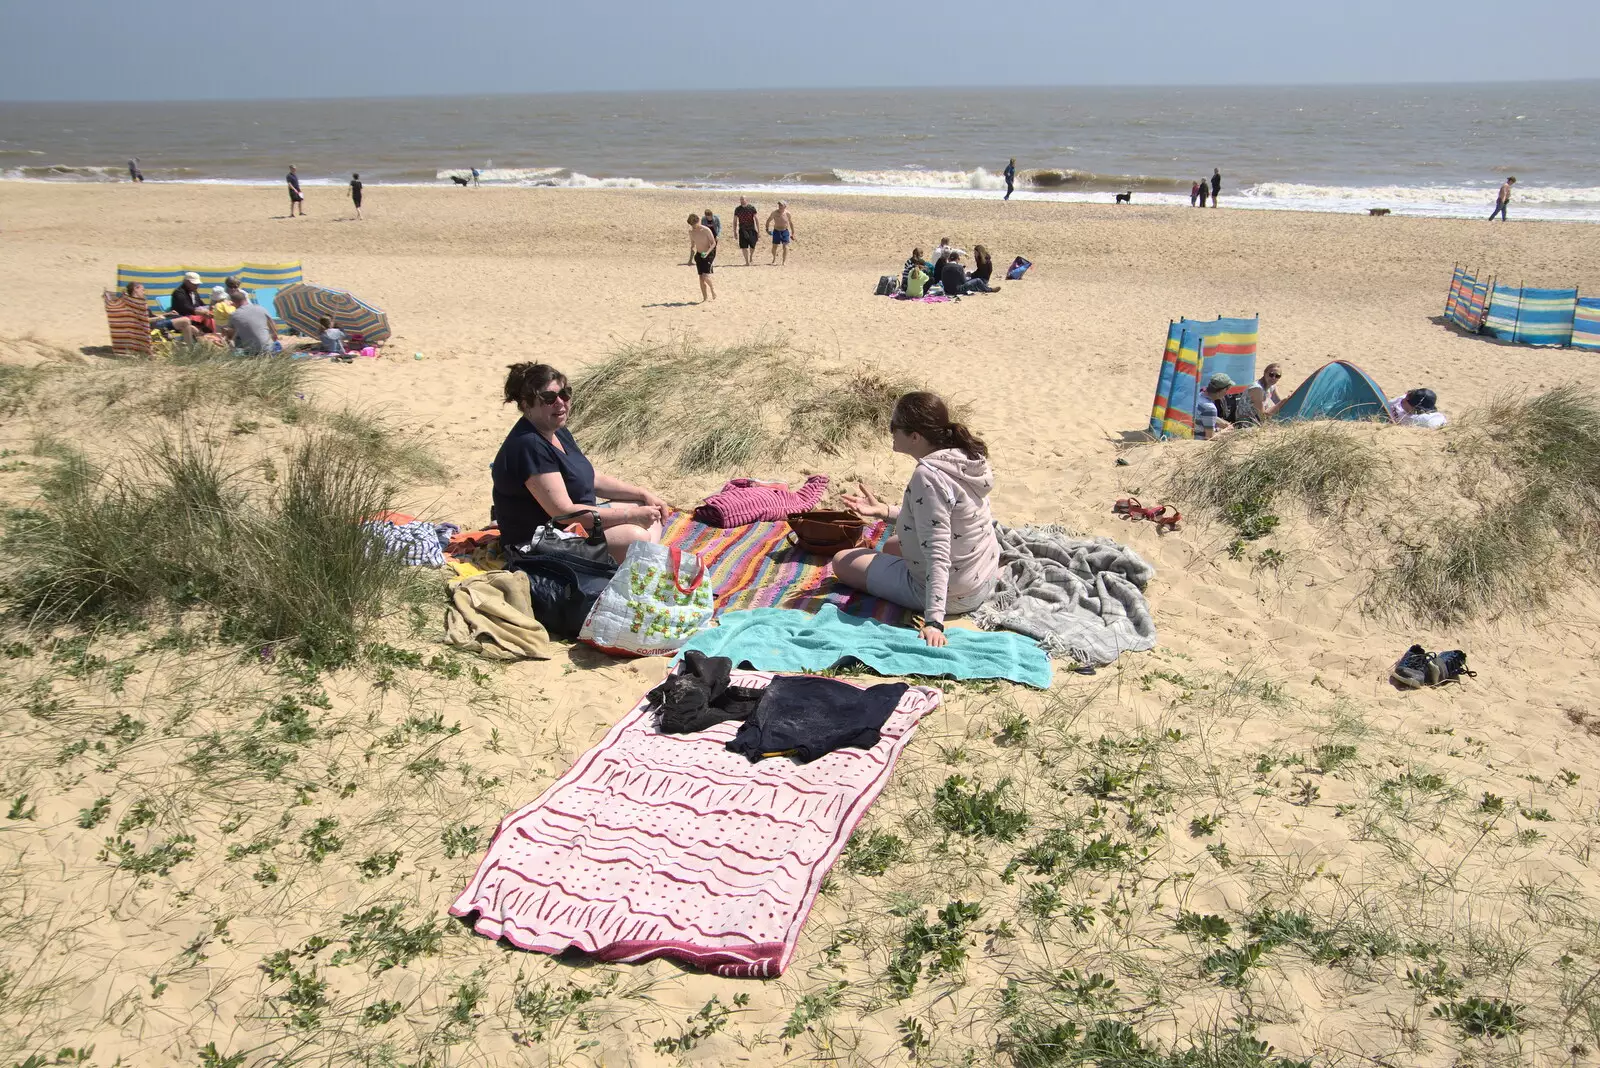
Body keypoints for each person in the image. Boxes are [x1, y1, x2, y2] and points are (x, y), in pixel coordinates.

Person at [832, 392, 1001, 647]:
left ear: (915, 437)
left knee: (842, 561)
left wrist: (934, 620)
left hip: (954, 594)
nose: (890, 432)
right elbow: (940, 517)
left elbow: (938, 552)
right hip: (981, 576)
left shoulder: (928, 476)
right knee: (891, 546)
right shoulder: (963, 458)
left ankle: (934, 604)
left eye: (894, 427)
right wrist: (883, 511)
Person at [491, 362, 668, 565]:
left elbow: (590, 477)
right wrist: (630, 515)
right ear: (525, 404)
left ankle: (642, 561)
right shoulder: (529, 445)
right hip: (540, 544)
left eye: (565, 394)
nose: (560, 403)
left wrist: (642, 494)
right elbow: (563, 513)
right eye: (549, 398)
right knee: (637, 537)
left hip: (575, 526)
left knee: (649, 510)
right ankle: (643, 561)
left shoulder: (556, 430)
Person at [167, 272, 210, 338]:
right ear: (186, 282)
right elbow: (185, 308)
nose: (197, 286)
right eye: (194, 284)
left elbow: (200, 304)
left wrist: (209, 308)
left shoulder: (194, 292)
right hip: (182, 318)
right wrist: (199, 312)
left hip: (195, 317)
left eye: (197, 284)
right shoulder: (178, 293)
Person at [687, 213, 717, 302]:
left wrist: (707, 253)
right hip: (699, 255)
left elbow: (713, 243)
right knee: (701, 278)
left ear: (698, 221)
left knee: (705, 276)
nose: (693, 226)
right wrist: (690, 259)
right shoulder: (691, 232)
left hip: (709, 253)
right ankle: (705, 298)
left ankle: (712, 289)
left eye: (694, 224)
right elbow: (692, 246)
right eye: (691, 225)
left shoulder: (706, 230)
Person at [1196, 374, 1234, 439]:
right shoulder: (1210, 407)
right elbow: (1210, 437)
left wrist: (1223, 423)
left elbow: (1203, 415)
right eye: (1227, 389)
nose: (1227, 393)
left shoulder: (1199, 396)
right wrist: (1226, 431)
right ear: (1223, 390)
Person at [733, 196, 759, 266]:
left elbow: (756, 219)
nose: (741, 200)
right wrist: (734, 232)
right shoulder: (737, 209)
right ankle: (747, 262)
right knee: (744, 246)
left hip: (751, 228)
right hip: (742, 229)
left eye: (743, 199)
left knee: (753, 245)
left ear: (746, 200)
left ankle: (751, 256)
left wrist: (758, 230)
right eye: (740, 199)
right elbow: (735, 221)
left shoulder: (752, 208)